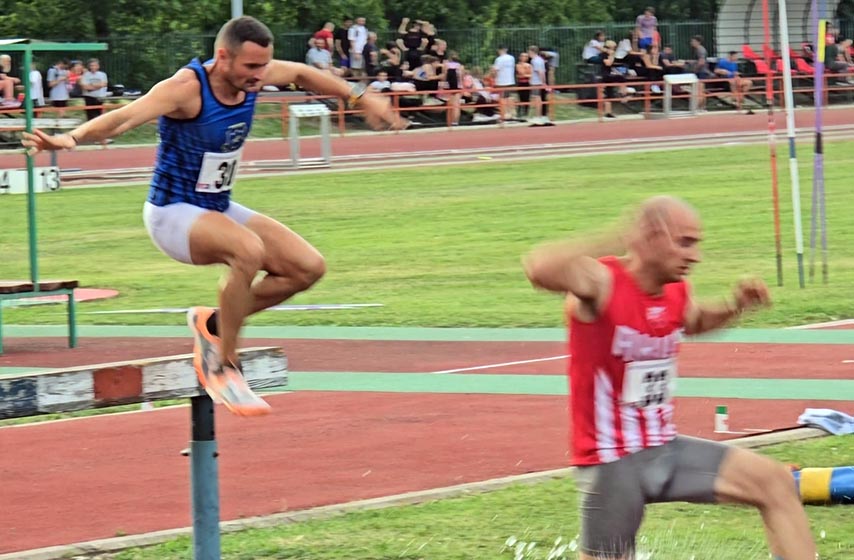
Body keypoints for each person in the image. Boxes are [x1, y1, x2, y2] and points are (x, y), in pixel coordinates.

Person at [22, 16, 406, 417]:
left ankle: (215, 325)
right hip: (172, 214)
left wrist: (362, 98)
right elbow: (124, 118)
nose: (260, 76)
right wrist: (72, 138)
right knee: (248, 250)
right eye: (251, 67)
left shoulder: (256, 73)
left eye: (263, 66)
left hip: (216, 207)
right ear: (223, 56)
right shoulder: (186, 89)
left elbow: (302, 73)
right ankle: (222, 364)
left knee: (307, 267)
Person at [522, 196, 816, 560]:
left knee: (775, 482)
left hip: (665, 450)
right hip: (612, 465)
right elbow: (538, 268)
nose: (696, 256)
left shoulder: (676, 290)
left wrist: (734, 305)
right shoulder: (602, 284)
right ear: (649, 238)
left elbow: (692, 321)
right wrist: (618, 237)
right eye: (685, 243)